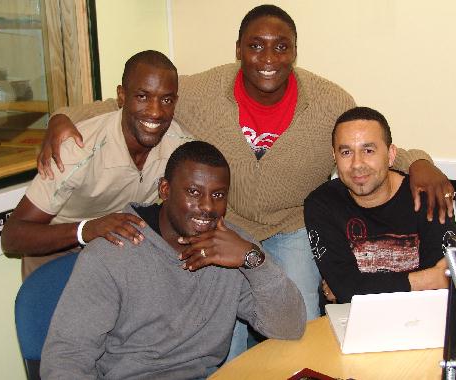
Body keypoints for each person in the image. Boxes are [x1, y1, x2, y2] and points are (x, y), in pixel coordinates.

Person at [35, 5, 454, 323]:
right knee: (223, 331)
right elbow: (124, 104)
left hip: (290, 229)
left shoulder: (330, 101)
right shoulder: (200, 92)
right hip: (224, 226)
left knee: (298, 321)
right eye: (255, 46)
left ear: (294, 51)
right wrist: (63, 117)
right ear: (238, 50)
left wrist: (422, 163)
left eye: (280, 46)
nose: (267, 57)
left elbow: (366, 137)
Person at [40, 141, 306, 380]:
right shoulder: (111, 254)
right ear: (165, 189)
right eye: (193, 192)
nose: (207, 207)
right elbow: (66, 361)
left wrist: (254, 260)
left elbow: (289, 327)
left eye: (218, 195)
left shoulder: (233, 248)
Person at [1, 50, 192, 280]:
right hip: (56, 249)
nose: (155, 111)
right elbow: (12, 236)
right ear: (122, 96)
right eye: (142, 96)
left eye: (166, 100)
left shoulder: (180, 149)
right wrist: (86, 230)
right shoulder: (77, 150)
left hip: (116, 248)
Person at [304, 107, 456, 307]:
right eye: (346, 152)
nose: (357, 164)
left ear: (391, 155)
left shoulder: (427, 196)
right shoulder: (321, 204)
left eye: (368, 150)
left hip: (423, 314)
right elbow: (346, 288)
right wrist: (425, 279)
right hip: (353, 318)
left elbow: (442, 286)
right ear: (334, 156)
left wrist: (358, 287)